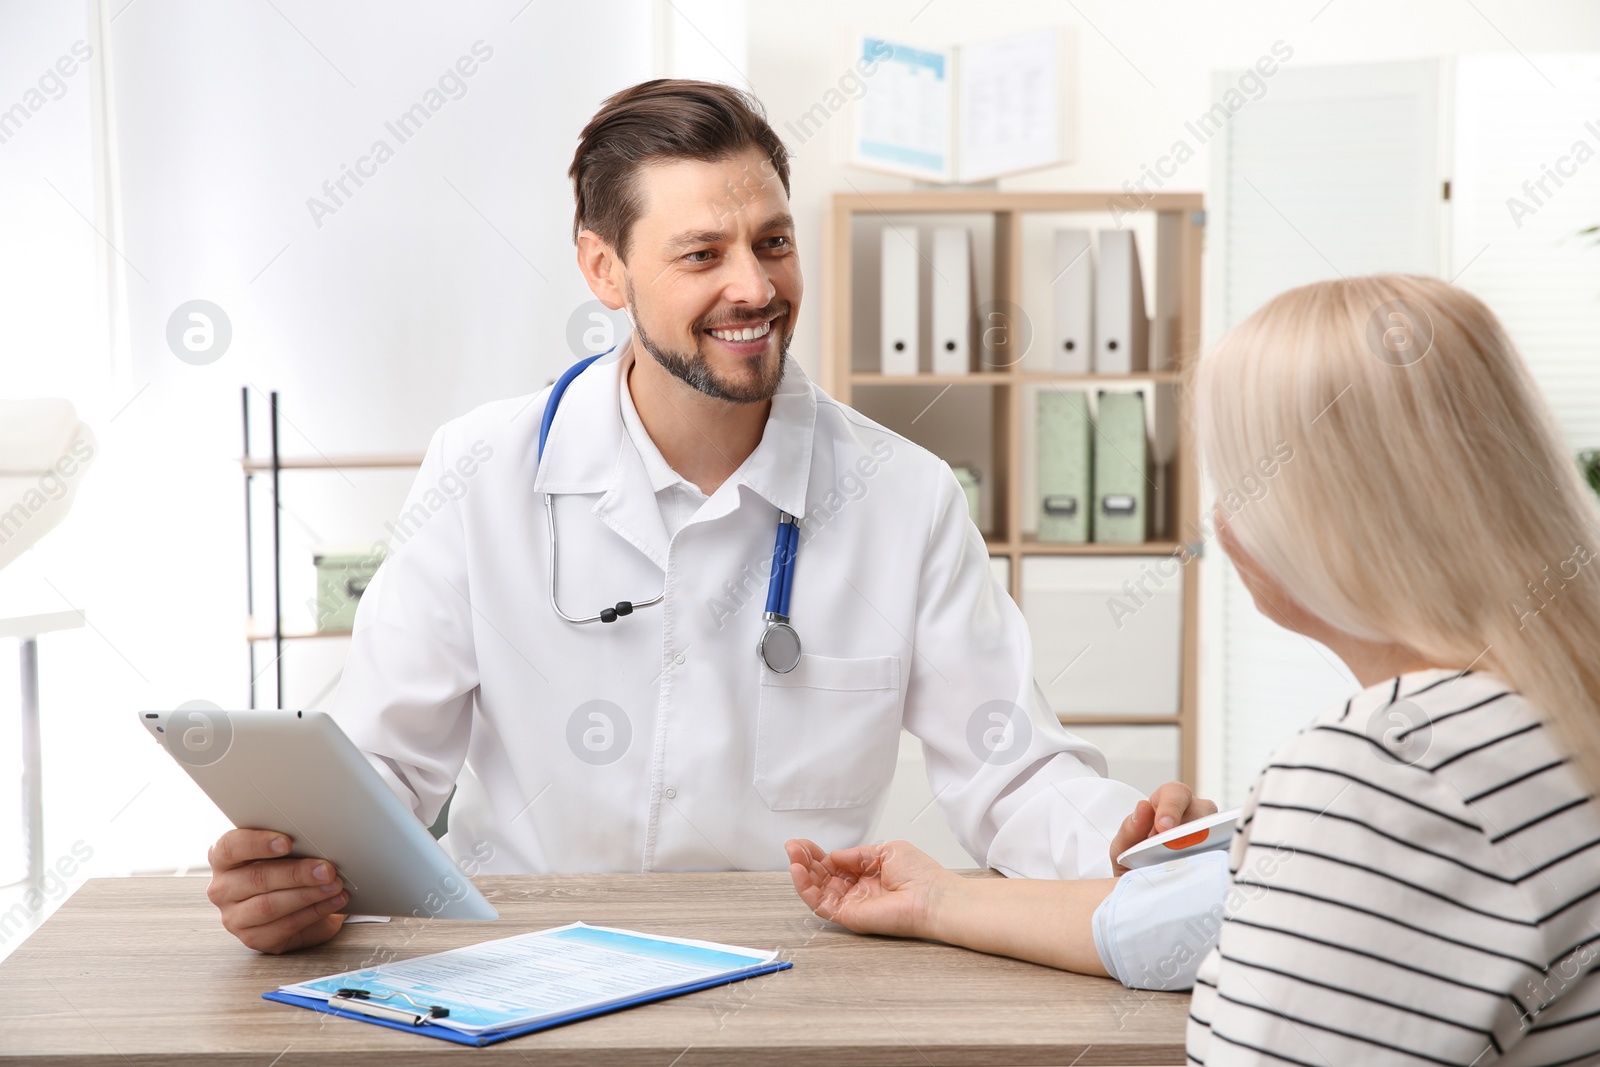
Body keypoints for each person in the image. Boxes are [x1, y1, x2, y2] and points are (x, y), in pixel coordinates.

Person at [202, 79, 1214, 954]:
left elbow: (1011, 771)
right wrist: (296, 870)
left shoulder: (902, 497)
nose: (755, 286)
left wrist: (1123, 837)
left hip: (786, 970)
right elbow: (381, 766)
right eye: (702, 254)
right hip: (520, 962)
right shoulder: (480, 469)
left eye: (772, 242)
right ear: (604, 270)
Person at [787, 274, 1600, 1064]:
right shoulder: (1544, 719)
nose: (1218, 515)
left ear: (1331, 522)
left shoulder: (1380, 777)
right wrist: (943, 900)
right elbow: (1206, 916)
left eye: (1237, 479)